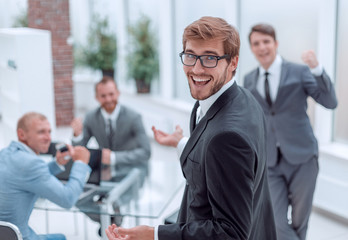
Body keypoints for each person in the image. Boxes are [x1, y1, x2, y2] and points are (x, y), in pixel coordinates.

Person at [105, 16, 276, 240]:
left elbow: (230, 233)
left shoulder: (227, 137)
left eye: (209, 58)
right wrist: (182, 143)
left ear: (233, 63)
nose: (196, 69)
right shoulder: (241, 99)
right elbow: (219, 163)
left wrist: (153, 234)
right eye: (190, 56)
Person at [243, 23, 338, 240]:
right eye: (256, 43)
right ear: (251, 48)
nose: (262, 47)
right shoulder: (249, 79)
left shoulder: (299, 71)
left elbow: (330, 102)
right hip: (270, 162)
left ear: (275, 44)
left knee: (299, 222)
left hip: (303, 157)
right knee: (275, 221)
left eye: (266, 42)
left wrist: (317, 69)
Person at [71, 76, 151, 230]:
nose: (108, 99)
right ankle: (111, 222)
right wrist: (77, 135)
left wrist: (114, 157)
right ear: (96, 97)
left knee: (114, 200)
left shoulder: (134, 117)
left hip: (131, 169)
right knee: (76, 197)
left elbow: (145, 152)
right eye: (103, 96)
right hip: (104, 171)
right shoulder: (90, 117)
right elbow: (80, 150)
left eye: (111, 94)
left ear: (118, 93)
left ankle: (111, 221)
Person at [0, 112, 91, 240]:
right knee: (61, 237)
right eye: (41, 132)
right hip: (20, 236)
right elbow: (68, 199)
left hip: (5, 234)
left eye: (49, 132)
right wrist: (81, 163)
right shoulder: (32, 163)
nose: (48, 138)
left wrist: (56, 164)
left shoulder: (4, 153)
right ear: (21, 134)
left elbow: (26, 177)